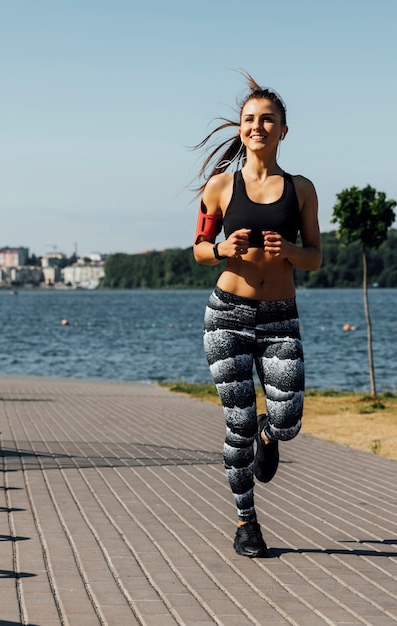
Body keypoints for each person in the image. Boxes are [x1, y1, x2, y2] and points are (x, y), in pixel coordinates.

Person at [193, 72, 322, 558]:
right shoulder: (221, 187)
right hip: (226, 316)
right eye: (250, 119)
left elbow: (315, 257)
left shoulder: (302, 189)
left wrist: (290, 249)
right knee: (238, 422)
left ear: (283, 130)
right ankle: (246, 522)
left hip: (279, 319)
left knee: (286, 419)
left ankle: (271, 436)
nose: (257, 126)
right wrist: (222, 247)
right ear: (241, 128)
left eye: (267, 119)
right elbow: (200, 249)